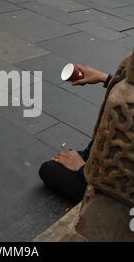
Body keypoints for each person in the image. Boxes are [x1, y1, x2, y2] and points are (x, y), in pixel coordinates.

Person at [39, 64, 113, 202]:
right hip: (104, 159)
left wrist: (81, 168)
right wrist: (105, 78)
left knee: (49, 170)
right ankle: (88, 157)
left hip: (116, 192)